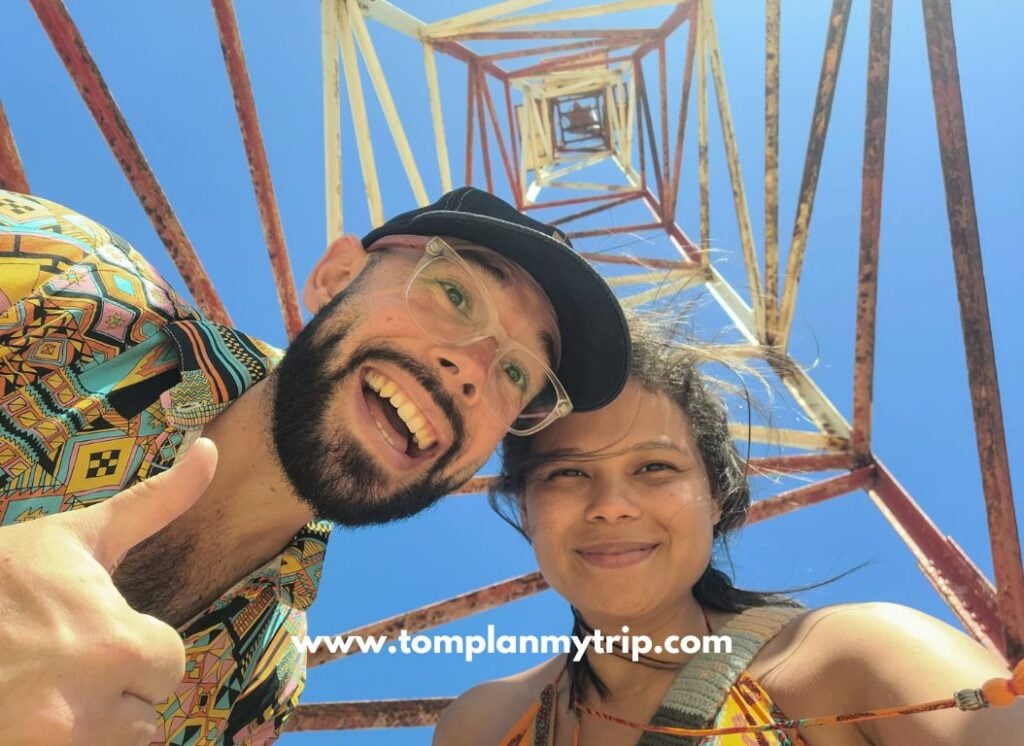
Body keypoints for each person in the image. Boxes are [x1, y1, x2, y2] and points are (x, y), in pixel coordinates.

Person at [0, 186, 631, 745]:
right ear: (335, 277)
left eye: (517, 373)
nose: (471, 369)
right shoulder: (59, 285)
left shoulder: (263, 687)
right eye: (455, 293)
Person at [434, 323, 1024, 745]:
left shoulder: (862, 657)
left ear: (717, 498)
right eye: (567, 472)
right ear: (525, 509)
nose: (611, 506)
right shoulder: (480, 722)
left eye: (654, 467)